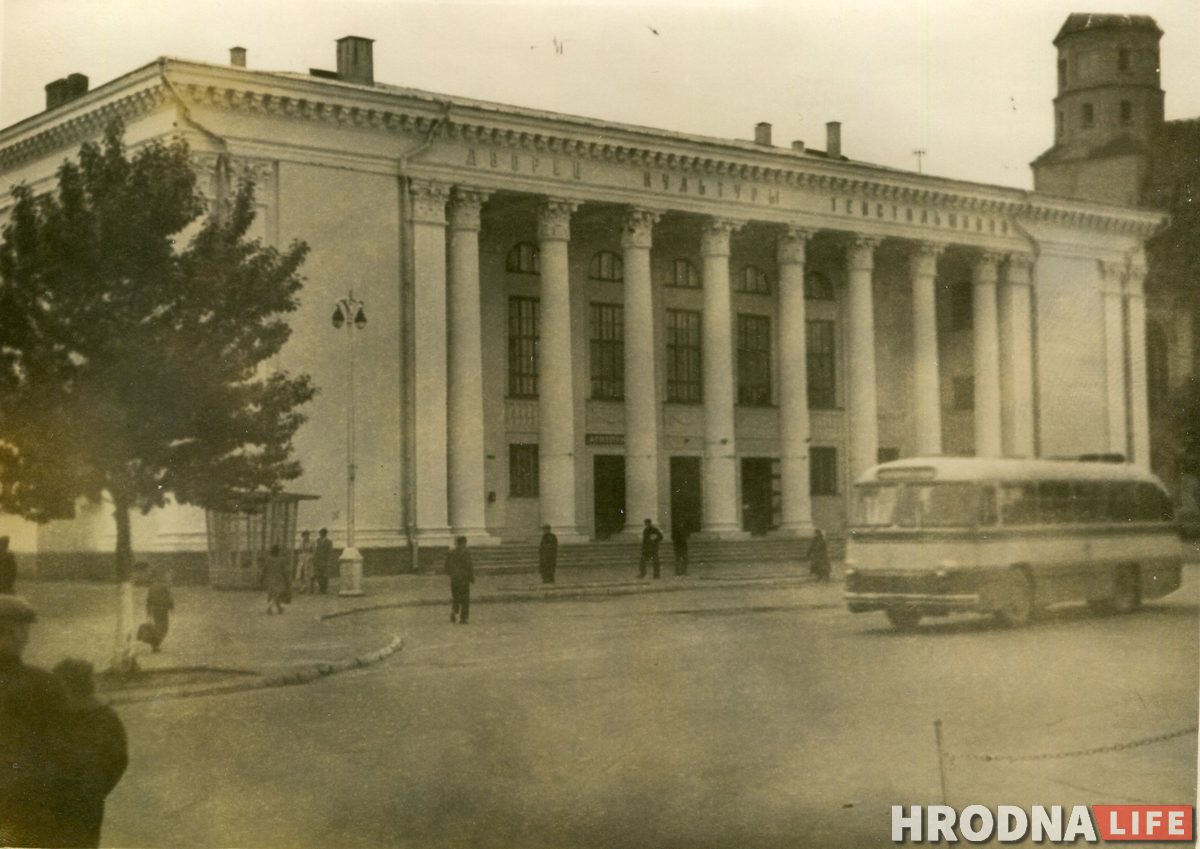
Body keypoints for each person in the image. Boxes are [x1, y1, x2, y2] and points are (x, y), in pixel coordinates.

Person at [0, 595, 69, 847]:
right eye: (25, 630)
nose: (27, 637)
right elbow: (65, 755)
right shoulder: (42, 685)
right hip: (26, 812)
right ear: (14, 633)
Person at [51, 659, 129, 849]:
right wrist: (98, 788)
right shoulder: (107, 716)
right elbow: (119, 760)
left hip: (53, 800)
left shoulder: (50, 717)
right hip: (89, 798)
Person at [143, 564, 175, 652]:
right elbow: (170, 598)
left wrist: (148, 612)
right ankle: (156, 644)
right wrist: (172, 608)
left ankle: (155, 645)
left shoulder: (152, 586)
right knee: (164, 628)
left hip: (154, 609)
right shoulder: (166, 586)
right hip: (163, 609)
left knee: (157, 626)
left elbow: (148, 600)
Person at [445, 536, 474, 624]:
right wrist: (471, 577)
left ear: (457, 542)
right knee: (465, 599)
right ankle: (463, 618)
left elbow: (447, 566)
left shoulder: (451, 552)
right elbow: (469, 566)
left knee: (456, 597)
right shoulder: (466, 552)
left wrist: (452, 575)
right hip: (464, 579)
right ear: (464, 542)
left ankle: (454, 611)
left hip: (455, 579)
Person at [264, 544, 291, 614]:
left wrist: (262, 578)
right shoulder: (281, 560)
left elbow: (265, 569)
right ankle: (269, 608)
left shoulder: (268, 559)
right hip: (279, 579)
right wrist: (286, 578)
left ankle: (279, 608)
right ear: (277, 552)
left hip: (270, 579)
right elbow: (284, 570)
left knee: (272, 593)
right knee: (278, 593)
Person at [313, 528, 334, 595]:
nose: (321, 535)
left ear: (325, 534)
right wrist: (315, 559)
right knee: (318, 575)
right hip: (318, 560)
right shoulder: (317, 541)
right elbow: (315, 550)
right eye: (320, 533)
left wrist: (329, 561)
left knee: (324, 575)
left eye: (322, 533)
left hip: (325, 561)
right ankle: (321, 587)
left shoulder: (329, 542)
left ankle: (324, 589)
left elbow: (330, 552)